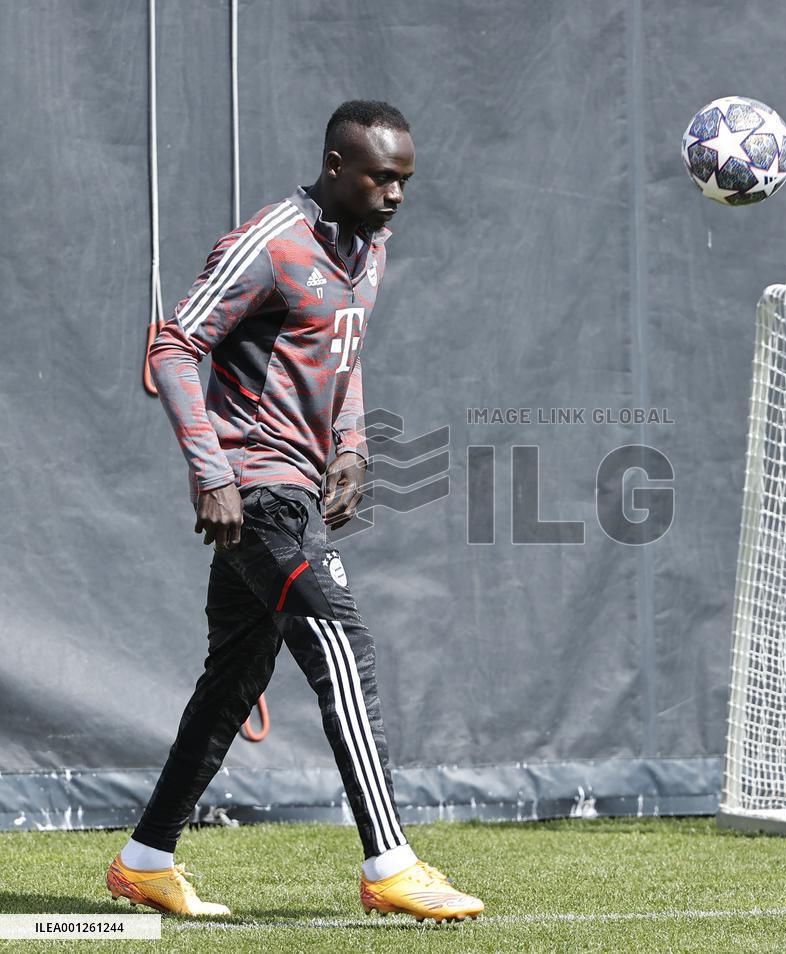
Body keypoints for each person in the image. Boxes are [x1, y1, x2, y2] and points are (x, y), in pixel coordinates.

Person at [106, 100, 483, 923]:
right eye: (383, 177)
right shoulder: (271, 240)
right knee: (343, 646)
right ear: (338, 166)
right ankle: (389, 865)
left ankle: (144, 862)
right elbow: (173, 344)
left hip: (300, 485)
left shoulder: (370, 249)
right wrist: (212, 473)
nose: (396, 195)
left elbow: (342, 353)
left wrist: (351, 443)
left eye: (406, 180)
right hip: (258, 491)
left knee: (234, 681)